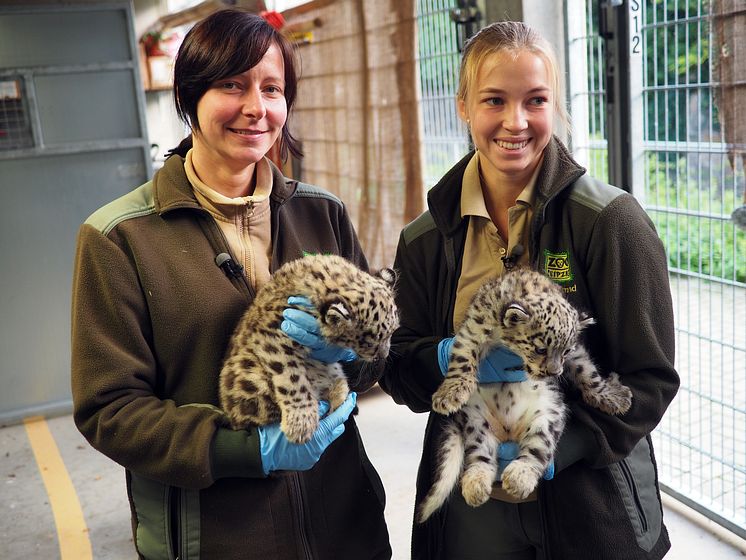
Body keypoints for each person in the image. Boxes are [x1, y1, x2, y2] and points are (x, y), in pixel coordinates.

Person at [71, 10, 391, 560]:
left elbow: (371, 361)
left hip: (342, 523)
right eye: (231, 85)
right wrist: (246, 450)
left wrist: (352, 353)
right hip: (215, 534)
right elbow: (110, 410)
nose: (255, 108)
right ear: (190, 96)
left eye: (272, 88)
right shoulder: (120, 237)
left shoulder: (322, 214)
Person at [380, 21, 679, 560]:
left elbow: (650, 378)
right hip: (475, 488)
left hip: (590, 496)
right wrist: (448, 359)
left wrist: (558, 450)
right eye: (494, 100)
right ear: (464, 106)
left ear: (555, 106)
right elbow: (398, 368)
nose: (514, 122)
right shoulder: (425, 239)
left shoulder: (611, 223)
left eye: (535, 101)